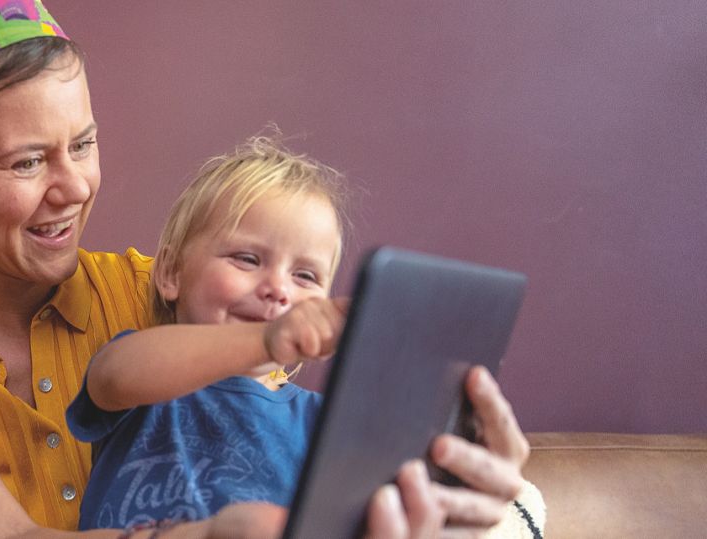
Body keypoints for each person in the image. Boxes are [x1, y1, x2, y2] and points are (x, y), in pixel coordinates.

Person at [0, 1, 533, 537]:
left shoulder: (198, 292)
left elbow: (299, 400)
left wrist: (459, 466)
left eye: (84, 144)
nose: (73, 188)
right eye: (28, 161)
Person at [66, 137, 543, 536]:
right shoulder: (143, 373)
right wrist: (267, 340)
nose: (277, 289)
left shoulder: (324, 420)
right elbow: (111, 377)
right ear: (169, 272)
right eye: (247, 259)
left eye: (306, 277)